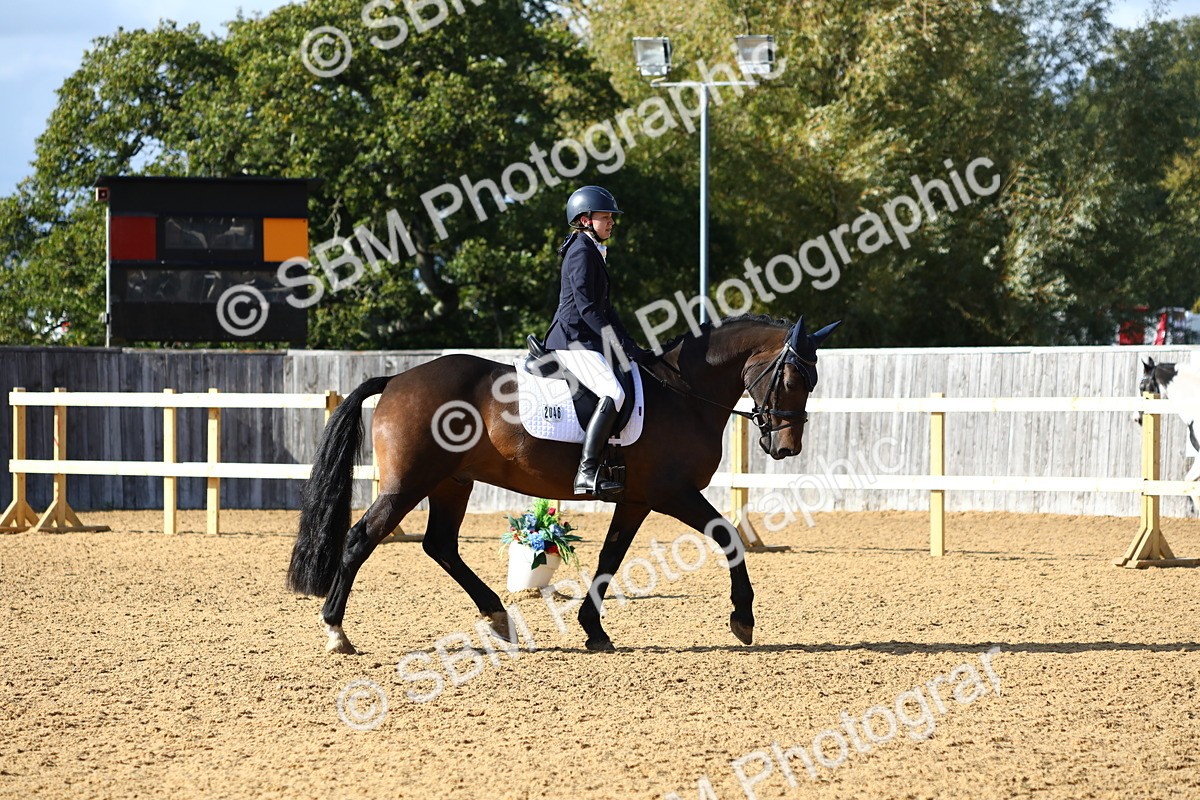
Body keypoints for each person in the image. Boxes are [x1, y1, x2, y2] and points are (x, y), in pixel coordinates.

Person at [544, 185, 649, 499]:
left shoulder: (593, 249)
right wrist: (615, 344)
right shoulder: (581, 251)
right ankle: (587, 472)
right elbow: (587, 308)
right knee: (613, 392)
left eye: (611, 218)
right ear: (585, 219)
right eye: (606, 217)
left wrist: (629, 344)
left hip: (585, 338)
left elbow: (606, 308)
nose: (612, 222)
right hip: (571, 340)